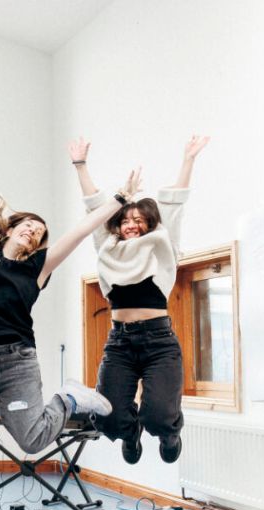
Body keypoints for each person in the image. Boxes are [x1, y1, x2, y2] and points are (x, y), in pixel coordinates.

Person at [0, 165, 145, 461]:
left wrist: (121, 199)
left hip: (15, 362)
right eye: (29, 224)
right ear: (11, 228)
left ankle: (70, 398)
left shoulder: (39, 266)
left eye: (39, 232)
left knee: (33, 441)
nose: (33, 230)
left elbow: (82, 230)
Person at [69, 136, 209, 464]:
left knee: (159, 416)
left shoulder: (162, 244)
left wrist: (188, 159)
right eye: (125, 220)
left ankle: (170, 432)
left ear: (148, 224)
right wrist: (81, 166)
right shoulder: (107, 246)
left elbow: (174, 204)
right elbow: (94, 205)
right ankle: (129, 434)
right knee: (107, 418)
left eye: (138, 220)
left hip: (158, 340)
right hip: (119, 342)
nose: (131, 225)